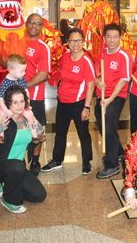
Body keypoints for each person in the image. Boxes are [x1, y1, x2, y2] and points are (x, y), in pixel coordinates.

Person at [0, 85, 46, 213]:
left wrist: (32, 118)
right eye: (15, 102)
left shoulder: (25, 117)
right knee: (16, 166)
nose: (19, 105)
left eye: (22, 101)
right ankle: (9, 200)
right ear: (7, 103)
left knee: (39, 195)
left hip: (17, 168)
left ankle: (6, 185)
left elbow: (40, 134)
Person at [41, 28, 95, 174]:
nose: (75, 44)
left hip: (79, 103)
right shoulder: (64, 56)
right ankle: (57, 160)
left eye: (79, 40)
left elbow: (90, 87)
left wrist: (86, 108)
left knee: (83, 133)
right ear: (67, 42)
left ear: (83, 42)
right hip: (63, 102)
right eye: (72, 40)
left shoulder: (86, 62)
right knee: (60, 133)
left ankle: (86, 162)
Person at [94, 23, 133, 179]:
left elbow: (123, 81)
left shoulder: (124, 55)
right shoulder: (101, 54)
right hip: (101, 96)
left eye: (115, 36)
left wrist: (110, 99)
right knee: (102, 125)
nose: (112, 40)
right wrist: (97, 81)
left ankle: (112, 166)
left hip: (116, 97)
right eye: (109, 36)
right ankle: (118, 153)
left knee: (109, 125)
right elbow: (95, 74)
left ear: (120, 38)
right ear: (104, 38)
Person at [24, 13, 51, 176]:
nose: (34, 26)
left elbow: (43, 75)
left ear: (42, 27)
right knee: (18, 129)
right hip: (15, 99)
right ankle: (19, 159)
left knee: (37, 129)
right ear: (26, 24)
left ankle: (35, 161)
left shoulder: (43, 47)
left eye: (38, 24)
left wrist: (22, 86)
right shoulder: (16, 42)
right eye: (31, 23)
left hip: (34, 96)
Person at [0, 54, 30, 119]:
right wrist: (6, 110)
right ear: (11, 71)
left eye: (24, 70)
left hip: (19, 105)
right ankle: (2, 128)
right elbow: (0, 99)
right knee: (1, 115)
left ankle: (32, 128)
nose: (24, 73)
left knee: (30, 114)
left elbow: (26, 91)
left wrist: (27, 103)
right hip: (6, 105)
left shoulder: (21, 78)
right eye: (21, 71)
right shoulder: (5, 82)